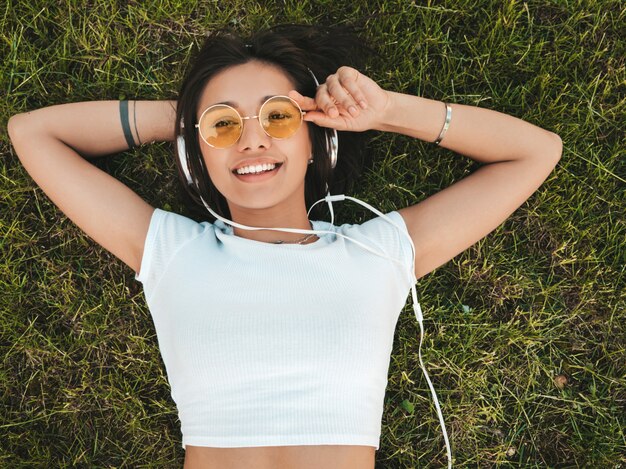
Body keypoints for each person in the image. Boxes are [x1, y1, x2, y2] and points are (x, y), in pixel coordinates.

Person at [7, 24, 562, 469]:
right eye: (224, 125)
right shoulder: (171, 251)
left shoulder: (378, 254)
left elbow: (536, 153)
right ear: (196, 150)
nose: (252, 138)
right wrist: (186, 120)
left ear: (316, 132)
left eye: (277, 116)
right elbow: (31, 132)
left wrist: (387, 112)